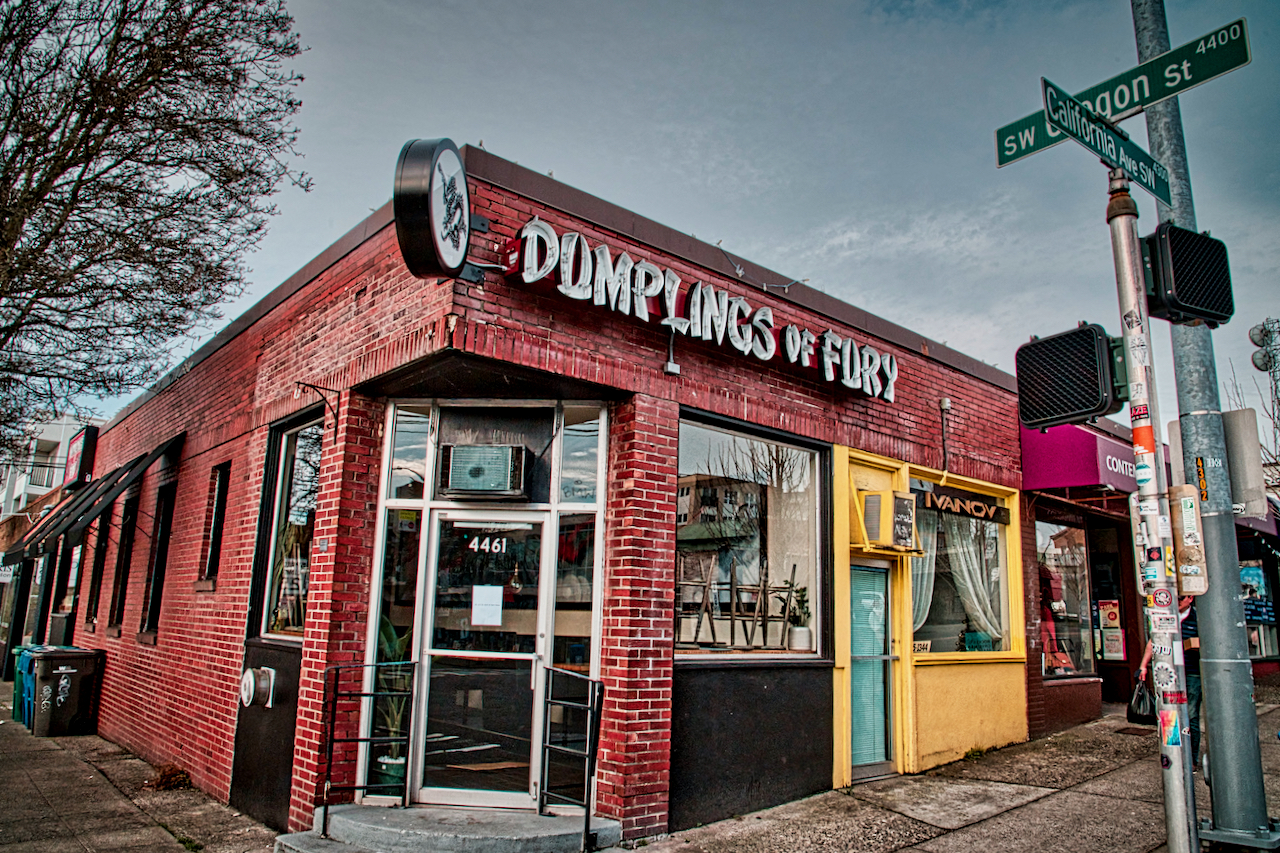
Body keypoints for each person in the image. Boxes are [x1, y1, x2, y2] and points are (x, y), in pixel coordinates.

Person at [1138, 595, 1201, 768]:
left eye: (1180, 598)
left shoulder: (1198, 618)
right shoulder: (1166, 616)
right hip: (1169, 674)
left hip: (1192, 673)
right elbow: (1154, 641)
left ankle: (1192, 759)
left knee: (1191, 715)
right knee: (1169, 713)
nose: (1177, 601)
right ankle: (1173, 752)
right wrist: (1143, 665)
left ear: (1190, 598)